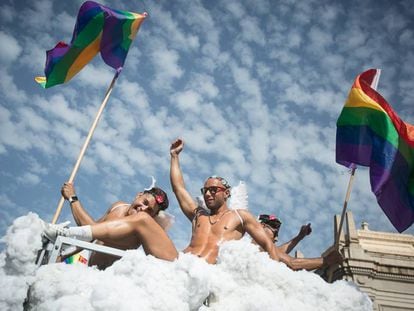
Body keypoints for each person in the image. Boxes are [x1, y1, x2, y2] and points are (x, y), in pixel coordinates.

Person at [170, 138, 342, 270]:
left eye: (213, 190)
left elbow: (274, 250)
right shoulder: (199, 215)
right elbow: (179, 188)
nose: (208, 193)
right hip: (182, 266)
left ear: (227, 193)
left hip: (209, 275)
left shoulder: (240, 217)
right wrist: (175, 157)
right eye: (205, 190)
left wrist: (274, 275)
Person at [43, 183, 178, 269]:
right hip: (87, 268)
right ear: (139, 195)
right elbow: (89, 233)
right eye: (144, 202)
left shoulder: (139, 227)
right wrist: (64, 256)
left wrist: (72, 198)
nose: (143, 209)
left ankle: (64, 233)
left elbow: (89, 229)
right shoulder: (118, 206)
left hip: (104, 279)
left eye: (149, 211)